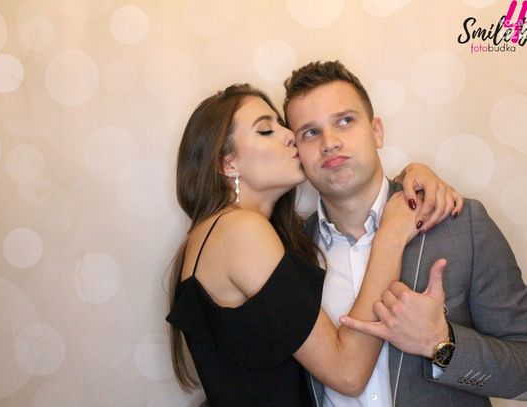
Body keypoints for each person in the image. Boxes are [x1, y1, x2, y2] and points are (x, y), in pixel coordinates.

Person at [166, 84, 460, 407]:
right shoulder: (240, 231)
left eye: (284, 126)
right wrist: (390, 236)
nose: (289, 136)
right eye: (266, 130)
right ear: (228, 164)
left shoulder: (225, 233)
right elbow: (348, 373)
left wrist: (411, 175)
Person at [283, 60, 527, 407]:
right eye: (310, 132)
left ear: (377, 132)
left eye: (345, 121)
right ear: (296, 152)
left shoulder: (462, 224)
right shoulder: (287, 254)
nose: (330, 143)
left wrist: (441, 343)